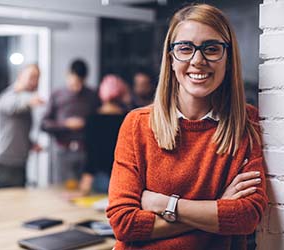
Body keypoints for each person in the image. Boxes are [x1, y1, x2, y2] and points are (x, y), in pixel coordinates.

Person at [106, 3, 268, 250]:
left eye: (211, 49)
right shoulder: (137, 124)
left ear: (228, 59)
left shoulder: (246, 123)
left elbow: (246, 217)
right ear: (171, 59)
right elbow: (125, 223)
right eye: (185, 48)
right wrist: (218, 205)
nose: (198, 60)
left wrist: (165, 205)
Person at [67, 74, 128, 198]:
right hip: (124, 179)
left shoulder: (93, 120)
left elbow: (91, 154)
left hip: (101, 179)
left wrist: (84, 187)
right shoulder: (129, 119)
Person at [41, 59, 100, 185]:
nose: (77, 88)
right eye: (74, 82)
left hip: (85, 151)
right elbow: (44, 124)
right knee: (62, 189)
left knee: (85, 191)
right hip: (62, 150)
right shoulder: (57, 94)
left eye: (80, 82)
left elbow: (98, 124)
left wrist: (85, 124)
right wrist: (66, 125)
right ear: (68, 75)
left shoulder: (92, 95)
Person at [0, 64, 44, 187]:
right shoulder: (7, 96)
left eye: (37, 78)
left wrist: (30, 144)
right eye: (32, 77)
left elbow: (19, 130)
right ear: (20, 76)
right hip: (6, 162)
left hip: (20, 161)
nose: (35, 82)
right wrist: (30, 102)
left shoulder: (24, 100)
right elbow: (13, 107)